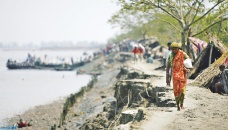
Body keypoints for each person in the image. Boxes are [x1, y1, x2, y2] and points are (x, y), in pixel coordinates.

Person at [166, 42, 190, 111]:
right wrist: (167, 78)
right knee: (176, 91)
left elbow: (188, 60)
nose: (174, 51)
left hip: (182, 74)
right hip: (175, 76)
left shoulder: (182, 53)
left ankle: (182, 104)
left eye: (175, 49)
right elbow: (168, 67)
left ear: (178, 49)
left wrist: (185, 67)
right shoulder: (170, 56)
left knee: (182, 90)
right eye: (172, 49)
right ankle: (177, 105)